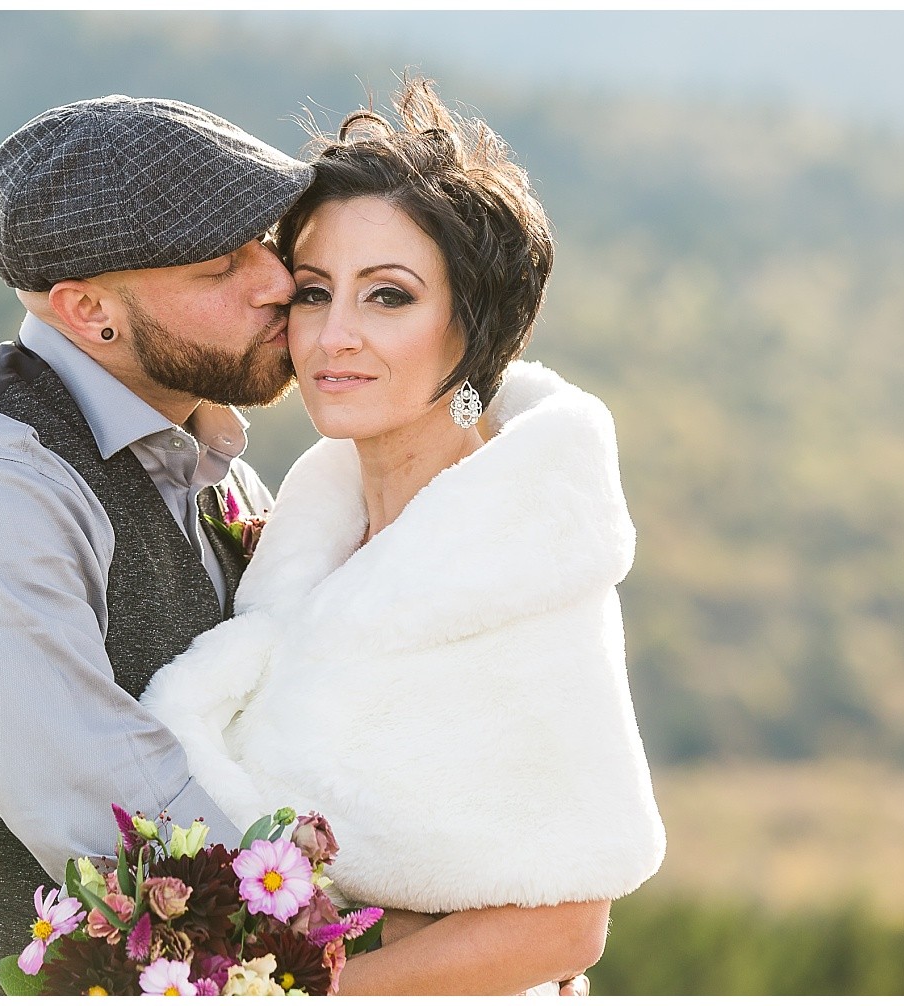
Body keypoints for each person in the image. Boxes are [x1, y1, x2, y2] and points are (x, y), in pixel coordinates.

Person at [141, 77, 667, 995]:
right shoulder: (308, 534)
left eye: (388, 297)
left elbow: (568, 923)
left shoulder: (520, 559)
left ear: (476, 330)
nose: (333, 335)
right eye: (313, 292)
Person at [0, 94, 313, 994]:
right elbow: (131, 820)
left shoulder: (223, 476)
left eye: (267, 241)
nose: (278, 281)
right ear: (89, 311)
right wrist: (407, 943)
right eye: (221, 266)